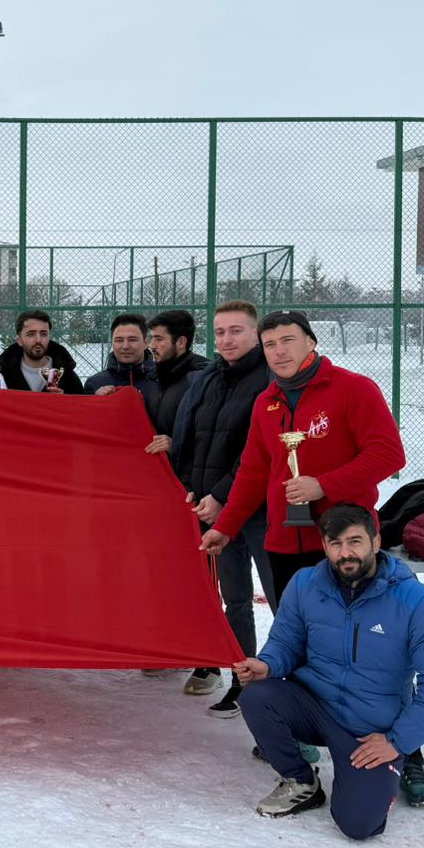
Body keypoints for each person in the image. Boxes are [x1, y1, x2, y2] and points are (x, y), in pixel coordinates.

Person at [198, 311, 424, 804]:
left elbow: (389, 453)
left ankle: (409, 755)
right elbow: (253, 473)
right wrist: (226, 526)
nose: (279, 352)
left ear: (311, 342)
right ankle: (307, 731)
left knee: (378, 652)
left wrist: (325, 484)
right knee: (299, 642)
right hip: (288, 544)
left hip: (347, 545)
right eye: (270, 345)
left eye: (288, 341)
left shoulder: (353, 389)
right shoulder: (266, 403)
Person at [231, 505, 424, 839]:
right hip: (315, 706)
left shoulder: (417, 602)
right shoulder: (305, 584)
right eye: (335, 543)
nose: (345, 553)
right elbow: (285, 643)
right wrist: (267, 664)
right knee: (256, 696)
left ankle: (393, 770)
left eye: (355, 541)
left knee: (358, 825)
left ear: (376, 541)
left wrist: (397, 742)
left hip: (370, 730)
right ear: (324, 546)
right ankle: (301, 781)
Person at [168, 300, 273, 712]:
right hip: (216, 511)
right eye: (221, 331)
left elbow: (259, 451)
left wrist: (222, 495)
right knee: (235, 598)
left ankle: (284, 682)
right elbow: (193, 436)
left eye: (236, 331)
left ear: (254, 333)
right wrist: (193, 488)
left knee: (281, 599)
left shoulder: (270, 378)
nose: (227, 339)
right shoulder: (210, 377)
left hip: (259, 510)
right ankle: (242, 679)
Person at [145, 310, 209, 440]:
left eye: (159, 339)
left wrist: (175, 447)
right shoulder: (153, 375)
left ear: (181, 342)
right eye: (152, 338)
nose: (152, 345)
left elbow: (211, 434)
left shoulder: (202, 379)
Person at [83, 313, 158, 416]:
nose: (125, 346)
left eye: (132, 340)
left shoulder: (164, 380)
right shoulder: (95, 383)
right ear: (112, 343)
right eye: (119, 340)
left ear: (145, 343)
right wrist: (95, 402)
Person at [0, 309, 85, 394]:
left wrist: (63, 401)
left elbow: (81, 407)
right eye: (31, 334)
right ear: (19, 340)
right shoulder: (3, 376)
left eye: (43, 334)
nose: (38, 340)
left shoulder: (67, 377)